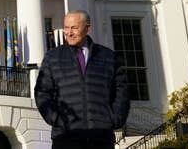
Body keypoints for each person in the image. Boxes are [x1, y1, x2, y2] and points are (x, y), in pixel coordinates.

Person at [34, 10, 130, 149]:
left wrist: (115, 119)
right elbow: (42, 92)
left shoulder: (108, 57)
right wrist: (56, 119)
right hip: (65, 138)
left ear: (87, 28)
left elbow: (122, 91)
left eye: (74, 28)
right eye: (66, 27)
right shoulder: (52, 57)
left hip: (101, 138)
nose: (69, 32)